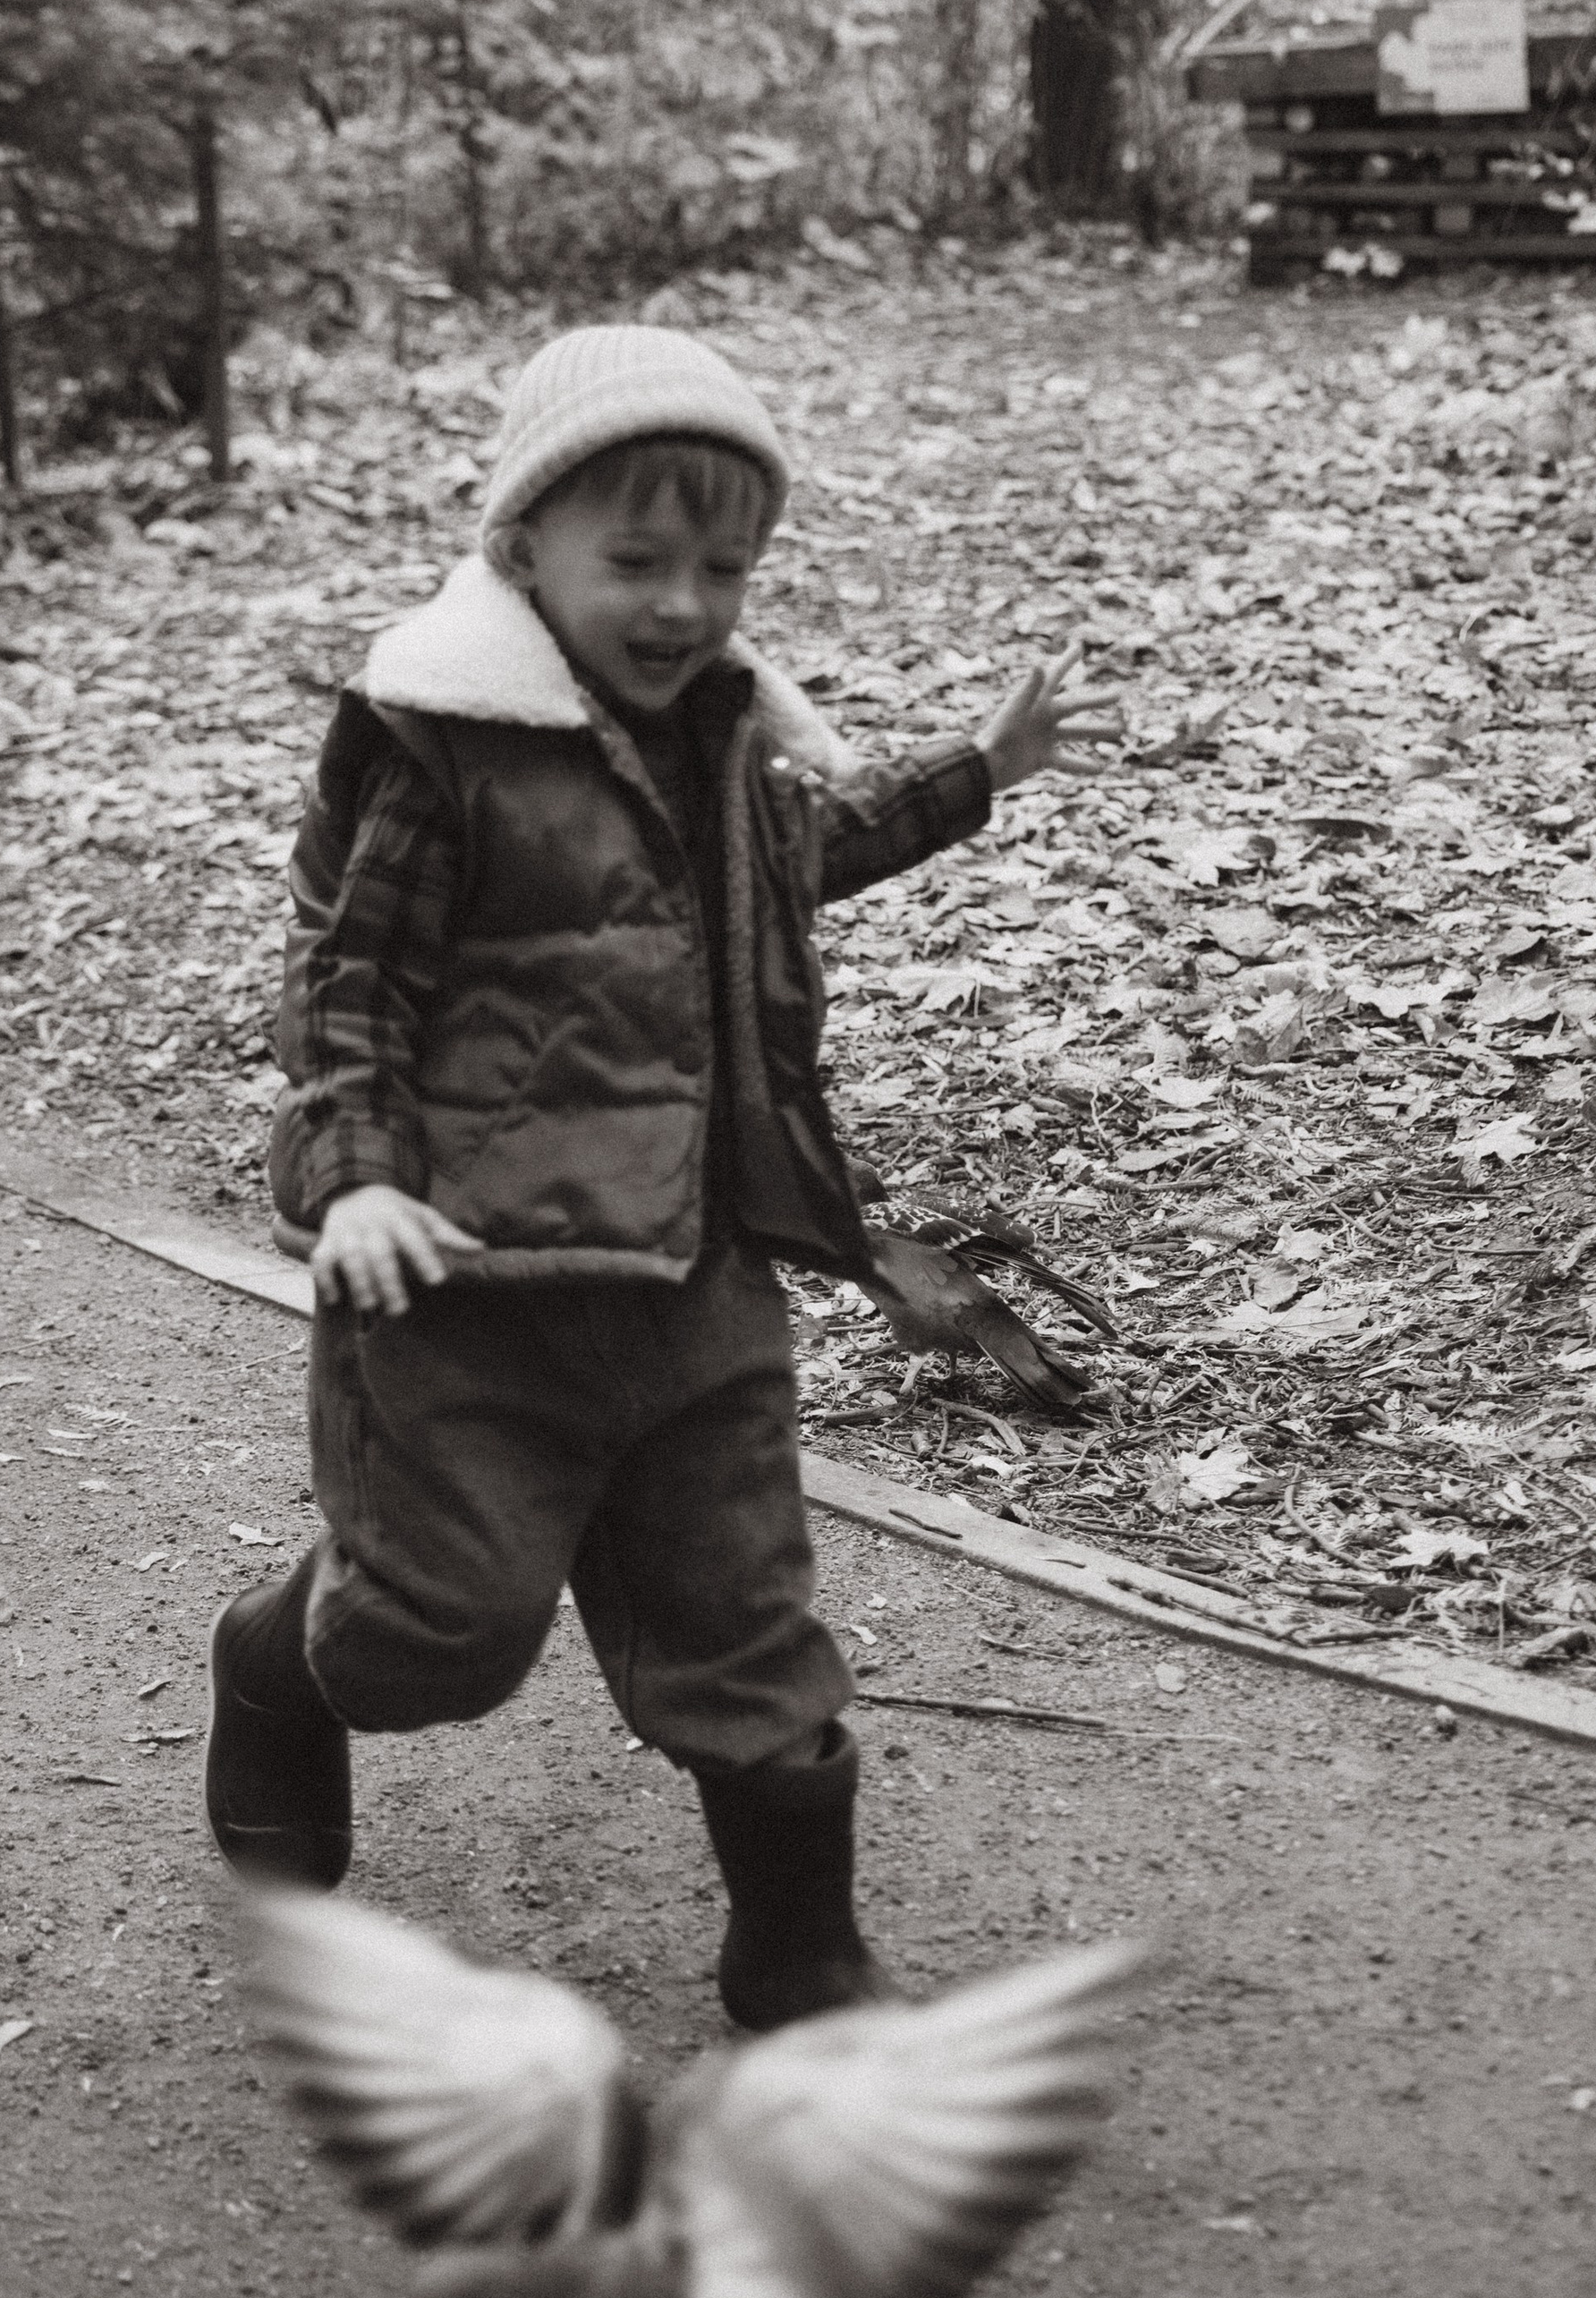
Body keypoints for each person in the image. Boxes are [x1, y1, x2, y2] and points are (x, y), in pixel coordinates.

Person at [207, 320, 1110, 2029]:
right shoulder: (440, 747)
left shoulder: (724, 739)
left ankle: (800, 1949)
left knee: (741, 1611)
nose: (683, 601)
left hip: (700, 1283)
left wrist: (974, 775)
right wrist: (358, 1179)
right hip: (471, 1295)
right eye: (635, 557)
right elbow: (344, 982)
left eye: (722, 562)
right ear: (520, 547)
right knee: (439, 1637)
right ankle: (278, 1661)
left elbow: (801, 855)